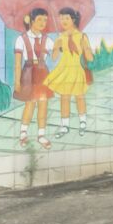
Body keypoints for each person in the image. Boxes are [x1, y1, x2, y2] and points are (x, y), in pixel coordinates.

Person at [44, 7, 94, 137]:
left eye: (66, 18)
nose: (63, 21)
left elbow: (89, 57)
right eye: (61, 18)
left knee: (79, 96)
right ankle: (64, 126)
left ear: (73, 19)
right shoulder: (60, 37)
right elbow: (54, 57)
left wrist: (86, 49)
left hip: (77, 69)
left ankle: (82, 123)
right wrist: (56, 46)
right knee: (64, 98)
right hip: (64, 69)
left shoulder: (82, 36)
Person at [13, 7, 54, 148]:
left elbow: (54, 57)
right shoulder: (21, 39)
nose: (43, 22)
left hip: (43, 73)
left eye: (45, 20)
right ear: (31, 20)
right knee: (30, 104)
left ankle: (41, 135)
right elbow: (18, 63)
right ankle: (23, 134)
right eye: (40, 19)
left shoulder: (47, 40)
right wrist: (16, 81)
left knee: (43, 104)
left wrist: (60, 47)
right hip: (29, 73)